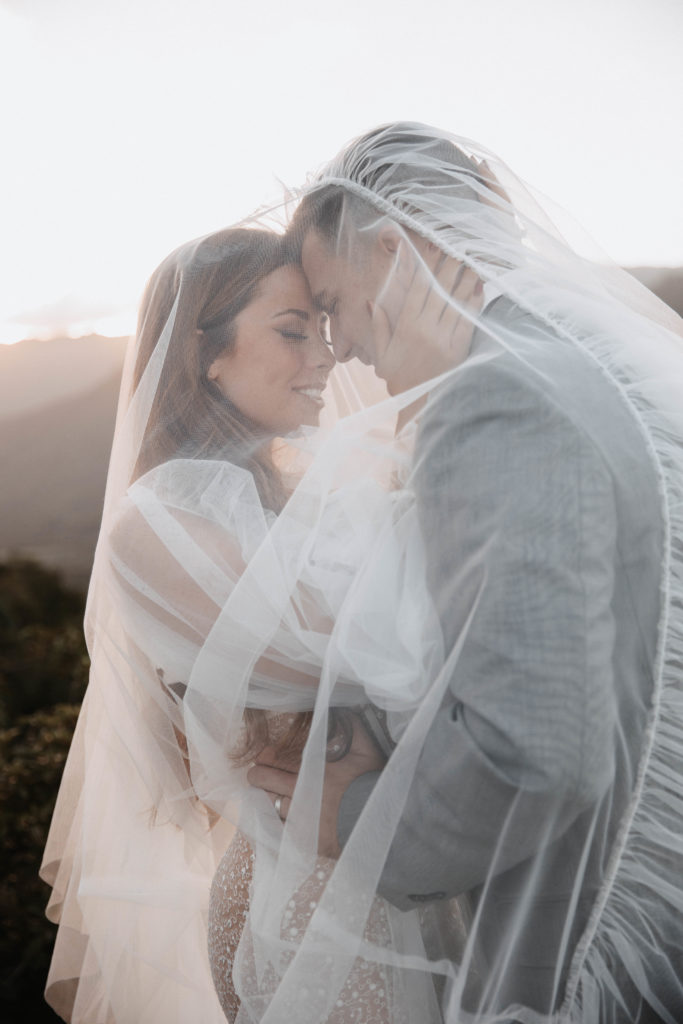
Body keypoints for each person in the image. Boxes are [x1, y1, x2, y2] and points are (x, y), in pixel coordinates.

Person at [248, 123, 683, 1023]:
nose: (342, 345)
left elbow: (533, 751)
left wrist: (356, 822)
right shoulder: (577, 362)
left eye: (333, 303)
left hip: (581, 941)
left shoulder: (496, 396)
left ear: (393, 251)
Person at [40, 223, 475, 1023]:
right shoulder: (157, 521)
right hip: (314, 910)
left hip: (364, 878)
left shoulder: (294, 495)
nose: (327, 356)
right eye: (291, 331)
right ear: (206, 353)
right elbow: (364, 648)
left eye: (323, 328)